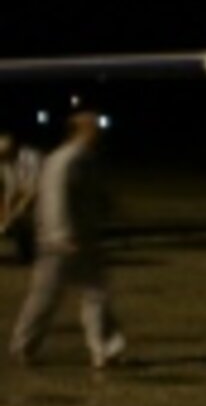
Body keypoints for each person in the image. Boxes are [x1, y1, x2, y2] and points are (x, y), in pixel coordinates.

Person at [9, 111, 126, 370]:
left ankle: (104, 349)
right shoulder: (63, 161)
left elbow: (95, 194)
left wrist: (107, 211)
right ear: (78, 131)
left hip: (85, 238)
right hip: (59, 242)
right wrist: (60, 234)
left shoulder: (87, 159)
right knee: (45, 297)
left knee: (96, 294)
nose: (98, 131)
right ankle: (23, 345)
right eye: (92, 127)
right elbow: (53, 198)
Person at [1, 132, 45, 265]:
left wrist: (15, 213)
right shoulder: (5, 163)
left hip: (43, 194)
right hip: (24, 194)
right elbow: (10, 190)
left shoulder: (31, 157)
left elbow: (34, 188)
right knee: (14, 218)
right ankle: (26, 250)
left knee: (20, 217)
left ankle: (33, 250)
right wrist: (5, 214)